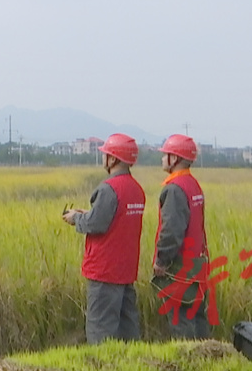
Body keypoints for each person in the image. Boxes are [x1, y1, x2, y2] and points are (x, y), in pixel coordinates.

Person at [63, 133, 146, 344]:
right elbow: (115, 218)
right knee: (128, 332)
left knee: (100, 331)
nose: (103, 158)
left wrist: (77, 218)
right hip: (126, 270)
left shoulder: (109, 188)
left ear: (114, 159)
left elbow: (97, 224)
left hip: (105, 272)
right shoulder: (136, 189)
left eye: (106, 154)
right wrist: (88, 214)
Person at [152, 133, 210, 339]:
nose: (161, 159)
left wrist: (161, 261)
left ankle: (189, 361)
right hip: (197, 262)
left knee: (180, 319)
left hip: (180, 266)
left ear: (174, 159)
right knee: (197, 317)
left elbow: (171, 231)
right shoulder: (192, 184)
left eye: (165, 154)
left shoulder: (175, 189)